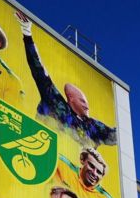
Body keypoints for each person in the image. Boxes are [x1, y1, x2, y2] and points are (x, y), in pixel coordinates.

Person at [14, 11, 117, 147]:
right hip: (38, 151)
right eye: (82, 101)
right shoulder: (55, 103)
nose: (86, 106)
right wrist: (27, 33)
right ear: (71, 99)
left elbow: (115, 136)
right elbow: (38, 70)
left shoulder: (92, 125)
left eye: (86, 102)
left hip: (79, 161)